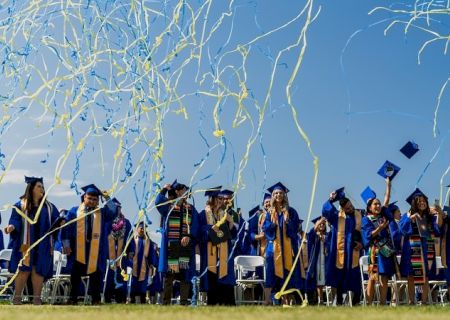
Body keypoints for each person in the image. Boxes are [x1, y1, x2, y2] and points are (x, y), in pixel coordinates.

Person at [5, 176, 60, 305]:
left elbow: (57, 222)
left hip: (43, 244)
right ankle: (17, 298)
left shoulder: (49, 207)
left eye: (42, 186)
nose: (42, 188)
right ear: (31, 189)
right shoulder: (20, 205)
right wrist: (12, 227)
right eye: (39, 186)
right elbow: (15, 220)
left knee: (38, 269)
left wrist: (61, 221)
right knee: (23, 268)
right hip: (24, 243)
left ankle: (37, 299)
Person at [61, 184, 119, 305]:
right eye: (89, 198)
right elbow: (66, 228)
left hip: (96, 250)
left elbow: (114, 211)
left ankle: (96, 299)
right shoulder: (74, 211)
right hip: (78, 249)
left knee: (96, 275)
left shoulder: (102, 213)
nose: (92, 201)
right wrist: (66, 244)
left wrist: (107, 198)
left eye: (95, 199)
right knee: (75, 275)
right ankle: (73, 298)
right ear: (84, 197)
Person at [155, 180, 199, 305]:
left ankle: (184, 302)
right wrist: (164, 190)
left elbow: (195, 225)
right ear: (178, 192)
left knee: (185, 276)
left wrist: (189, 236)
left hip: (185, 246)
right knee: (169, 276)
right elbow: (157, 203)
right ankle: (166, 302)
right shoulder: (168, 207)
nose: (187, 192)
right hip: (172, 247)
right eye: (184, 190)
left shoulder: (190, 209)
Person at [398, 188, 444, 304]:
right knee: (411, 276)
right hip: (411, 248)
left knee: (425, 275)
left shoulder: (430, 216)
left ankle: (424, 302)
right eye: (420, 201)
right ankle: (411, 301)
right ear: (415, 203)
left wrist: (439, 213)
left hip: (426, 247)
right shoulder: (408, 215)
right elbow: (402, 230)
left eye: (424, 201)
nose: (422, 203)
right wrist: (410, 220)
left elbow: (437, 229)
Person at [361, 179, 400, 305]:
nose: (378, 206)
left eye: (378, 204)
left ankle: (383, 303)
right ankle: (368, 303)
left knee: (384, 277)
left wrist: (388, 184)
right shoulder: (366, 219)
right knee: (372, 278)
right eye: (375, 204)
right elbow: (368, 235)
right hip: (375, 251)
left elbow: (387, 199)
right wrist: (380, 228)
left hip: (386, 250)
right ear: (369, 207)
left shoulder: (383, 215)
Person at [261, 182, 301, 305]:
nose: (278, 195)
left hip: (288, 249)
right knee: (270, 273)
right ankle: (267, 300)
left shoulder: (291, 211)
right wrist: (272, 224)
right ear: (273, 195)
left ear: (284, 195)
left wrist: (288, 221)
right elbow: (265, 228)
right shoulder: (270, 212)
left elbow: (295, 228)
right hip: (273, 248)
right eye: (276, 193)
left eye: (280, 193)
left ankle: (286, 300)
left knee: (287, 273)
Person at [322, 188, 363, 305]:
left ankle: (356, 300)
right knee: (339, 276)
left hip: (354, 251)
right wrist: (331, 199)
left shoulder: (358, 215)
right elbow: (325, 211)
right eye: (347, 208)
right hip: (340, 252)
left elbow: (364, 232)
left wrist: (361, 244)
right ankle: (339, 299)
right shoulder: (337, 217)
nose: (350, 208)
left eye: (351, 206)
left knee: (354, 275)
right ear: (343, 209)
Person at [199, 186, 237, 305]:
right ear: (212, 199)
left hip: (224, 252)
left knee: (226, 278)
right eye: (218, 198)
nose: (221, 201)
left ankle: (228, 305)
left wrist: (230, 222)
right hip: (210, 252)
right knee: (212, 279)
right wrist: (217, 231)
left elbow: (230, 234)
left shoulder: (225, 215)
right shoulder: (203, 214)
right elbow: (203, 232)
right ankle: (213, 304)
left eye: (221, 198)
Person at [104, 198, 132, 303]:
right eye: (115, 208)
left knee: (121, 276)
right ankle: (107, 298)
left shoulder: (126, 223)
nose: (117, 210)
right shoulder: (107, 221)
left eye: (118, 208)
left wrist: (131, 250)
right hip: (108, 255)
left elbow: (130, 239)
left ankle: (121, 299)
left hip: (122, 257)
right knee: (108, 277)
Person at [128, 221, 157, 304]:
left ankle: (143, 301)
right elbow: (128, 250)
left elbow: (151, 253)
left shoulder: (148, 241)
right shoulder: (132, 239)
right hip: (133, 264)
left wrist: (152, 264)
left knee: (143, 284)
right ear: (137, 229)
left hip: (144, 265)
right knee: (133, 283)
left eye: (143, 229)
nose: (142, 230)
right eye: (141, 228)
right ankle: (132, 300)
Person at [305, 216, 330, 305]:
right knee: (317, 281)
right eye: (320, 224)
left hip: (325, 261)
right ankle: (319, 300)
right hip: (316, 262)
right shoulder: (313, 235)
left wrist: (325, 241)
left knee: (323, 281)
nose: (322, 225)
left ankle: (324, 300)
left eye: (323, 224)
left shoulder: (328, 235)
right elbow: (312, 232)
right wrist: (319, 221)